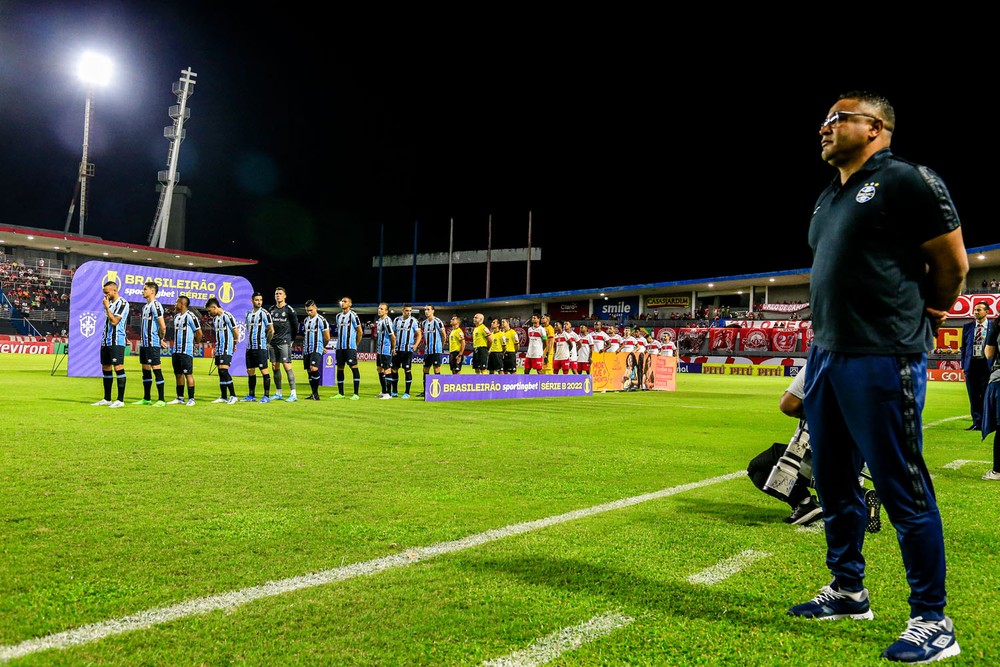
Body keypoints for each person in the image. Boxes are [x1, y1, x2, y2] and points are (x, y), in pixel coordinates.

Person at [790, 91, 967, 664]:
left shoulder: (907, 180)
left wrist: (928, 315)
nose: (823, 126)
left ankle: (932, 619)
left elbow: (953, 264)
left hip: (883, 354)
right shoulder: (827, 198)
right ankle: (848, 590)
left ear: (875, 127)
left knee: (901, 484)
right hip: (828, 357)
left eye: (836, 117)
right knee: (834, 480)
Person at [747, 367, 824, 525]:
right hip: (858, 462)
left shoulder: (820, 361)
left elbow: (787, 405)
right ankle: (855, 492)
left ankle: (804, 503)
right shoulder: (874, 367)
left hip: (820, 455)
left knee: (758, 468)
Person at [92, 280, 130, 408]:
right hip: (106, 340)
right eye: (104, 293)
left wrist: (107, 307)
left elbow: (114, 322)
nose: (105, 296)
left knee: (118, 367)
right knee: (106, 368)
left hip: (117, 340)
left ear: (114, 290)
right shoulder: (111, 303)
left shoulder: (122, 303)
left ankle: (120, 400)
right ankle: (107, 398)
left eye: (107, 293)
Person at [134, 281, 167, 406]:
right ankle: (146, 398)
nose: (143, 291)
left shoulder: (156, 305)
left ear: (152, 291)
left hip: (153, 343)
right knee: (145, 370)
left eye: (145, 289)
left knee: (156, 369)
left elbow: (162, 326)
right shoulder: (145, 307)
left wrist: (160, 339)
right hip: (144, 344)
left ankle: (161, 400)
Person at [961, 301, 992, 430]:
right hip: (971, 365)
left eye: (979, 310)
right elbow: (964, 347)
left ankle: (987, 423)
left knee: (986, 395)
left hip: (987, 366)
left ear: (987, 312)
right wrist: (964, 365)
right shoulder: (967, 327)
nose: (976, 312)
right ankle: (977, 422)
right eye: (975, 310)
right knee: (973, 396)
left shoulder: (993, 327)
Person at [166, 295, 202, 406]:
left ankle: (191, 399)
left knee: (188, 374)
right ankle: (180, 398)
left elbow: (199, 332)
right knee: (178, 374)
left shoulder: (191, 316)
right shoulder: (177, 317)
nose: (175, 304)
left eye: (177, 303)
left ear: (182, 304)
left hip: (186, 351)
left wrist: (196, 341)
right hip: (176, 351)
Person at [205, 297, 240, 404]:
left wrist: (234, 344)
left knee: (224, 371)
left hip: (226, 348)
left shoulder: (227, 316)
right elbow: (218, 335)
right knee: (220, 372)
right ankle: (224, 396)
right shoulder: (215, 319)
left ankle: (233, 395)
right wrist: (216, 347)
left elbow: (236, 332)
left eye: (210, 311)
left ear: (214, 307)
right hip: (219, 348)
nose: (209, 313)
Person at [268, 287, 299, 402]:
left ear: (285, 296)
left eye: (280, 294)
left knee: (287, 366)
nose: (278, 295)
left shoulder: (289, 310)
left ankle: (293, 394)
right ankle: (278, 393)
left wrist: (291, 340)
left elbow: (296, 327)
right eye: (276, 294)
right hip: (273, 342)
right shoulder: (271, 309)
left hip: (284, 341)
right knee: (275, 366)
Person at [243, 291, 275, 403]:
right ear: (252, 301)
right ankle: (251, 395)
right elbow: (248, 329)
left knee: (264, 371)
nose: (259, 302)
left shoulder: (265, 314)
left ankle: (266, 396)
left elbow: (271, 330)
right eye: (257, 300)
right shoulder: (248, 314)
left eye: (260, 300)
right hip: (250, 347)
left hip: (260, 347)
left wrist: (266, 342)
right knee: (250, 370)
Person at [333, 296, 364, 399]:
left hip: (350, 347)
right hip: (339, 347)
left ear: (350, 304)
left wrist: (355, 344)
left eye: (345, 301)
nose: (343, 303)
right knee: (340, 368)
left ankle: (356, 394)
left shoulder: (353, 316)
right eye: (342, 301)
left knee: (354, 367)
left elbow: (360, 331)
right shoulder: (338, 316)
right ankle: (340, 393)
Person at [300, 299, 330, 401]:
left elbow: (327, 337)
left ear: (315, 308)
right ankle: (313, 393)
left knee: (314, 368)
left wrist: (322, 347)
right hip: (307, 349)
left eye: (311, 310)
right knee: (309, 370)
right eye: (307, 311)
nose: (309, 312)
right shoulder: (305, 320)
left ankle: (316, 394)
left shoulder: (322, 320)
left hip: (316, 348)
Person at [390, 304, 422, 398]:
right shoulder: (396, 320)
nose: (408, 312)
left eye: (410, 311)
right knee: (394, 370)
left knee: (407, 370)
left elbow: (419, 334)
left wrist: (416, 345)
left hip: (408, 350)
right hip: (397, 349)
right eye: (407, 310)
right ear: (402, 310)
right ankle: (394, 391)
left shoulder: (413, 321)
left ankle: (407, 393)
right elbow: (393, 334)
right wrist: (393, 347)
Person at [419, 304, 446, 395]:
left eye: (428, 309)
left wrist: (440, 347)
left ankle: (438, 390)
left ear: (433, 311)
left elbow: (444, 335)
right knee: (425, 369)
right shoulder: (424, 323)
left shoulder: (438, 321)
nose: (426, 311)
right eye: (425, 309)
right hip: (428, 350)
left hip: (436, 350)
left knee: (436, 369)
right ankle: (425, 391)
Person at [374, 302, 396, 399]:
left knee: (387, 369)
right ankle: (383, 391)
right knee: (379, 369)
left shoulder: (387, 321)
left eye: (382, 309)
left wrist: (393, 348)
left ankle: (388, 393)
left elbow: (392, 336)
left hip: (386, 350)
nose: (379, 310)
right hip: (380, 350)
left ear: (386, 311)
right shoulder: (379, 320)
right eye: (379, 308)